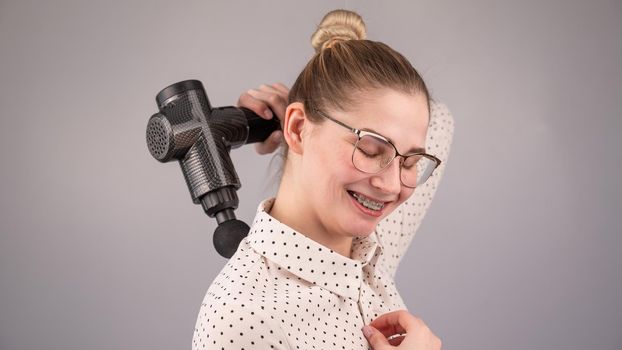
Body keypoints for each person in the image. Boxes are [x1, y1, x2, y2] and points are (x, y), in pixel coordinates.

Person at [192, 9, 454, 350]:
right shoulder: (243, 319)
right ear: (297, 128)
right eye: (372, 149)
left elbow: (440, 122)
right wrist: (306, 122)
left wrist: (303, 122)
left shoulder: (368, 251)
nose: (391, 186)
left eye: (412, 161)